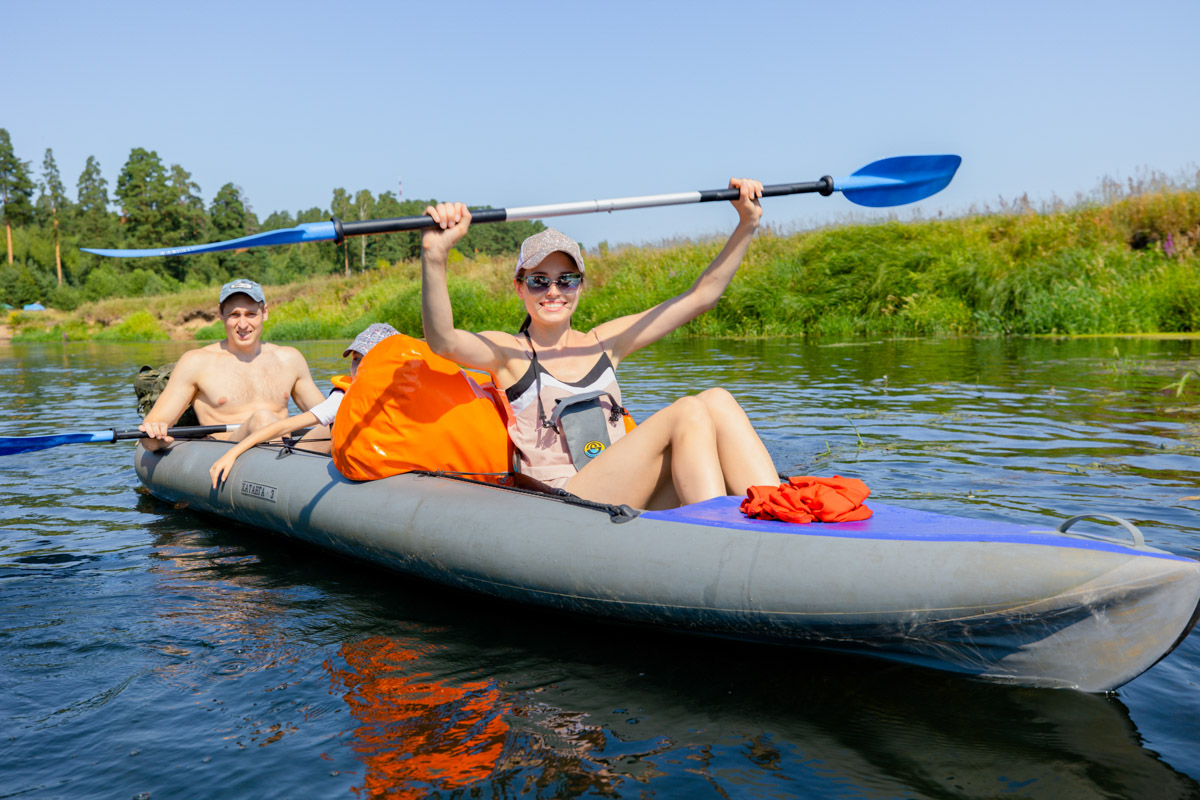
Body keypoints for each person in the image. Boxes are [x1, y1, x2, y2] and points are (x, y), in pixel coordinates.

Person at [420, 178, 780, 510]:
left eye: (567, 280)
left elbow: (702, 297)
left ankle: (780, 511)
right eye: (539, 281)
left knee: (717, 400)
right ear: (519, 287)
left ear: (581, 285)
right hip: (566, 503)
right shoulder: (508, 352)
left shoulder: (605, 342)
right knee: (687, 411)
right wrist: (435, 257)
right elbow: (444, 341)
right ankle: (717, 537)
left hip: (623, 490)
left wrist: (747, 223)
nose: (554, 291)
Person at [139, 279, 326, 451]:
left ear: (265, 313)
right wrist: (157, 436)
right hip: (227, 454)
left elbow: (327, 415)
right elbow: (153, 427)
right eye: (234, 315)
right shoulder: (196, 362)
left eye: (251, 314)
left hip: (287, 452)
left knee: (343, 425)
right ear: (221, 314)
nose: (243, 324)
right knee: (262, 418)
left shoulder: (290, 359)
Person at [209, 322, 399, 488]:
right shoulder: (342, 398)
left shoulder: (407, 398)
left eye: (367, 359)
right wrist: (232, 453)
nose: (358, 367)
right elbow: (284, 426)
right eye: (356, 359)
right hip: (299, 459)